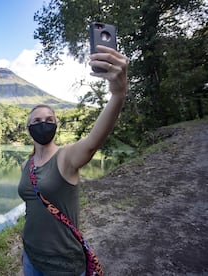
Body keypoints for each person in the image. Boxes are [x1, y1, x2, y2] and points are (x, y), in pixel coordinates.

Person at [18, 45, 128, 276]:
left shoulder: (66, 157)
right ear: (28, 128)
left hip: (64, 263)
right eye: (37, 120)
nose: (44, 123)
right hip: (31, 257)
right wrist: (26, 248)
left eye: (50, 119)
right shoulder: (25, 165)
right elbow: (32, 209)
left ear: (56, 125)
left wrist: (118, 94)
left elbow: (93, 141)